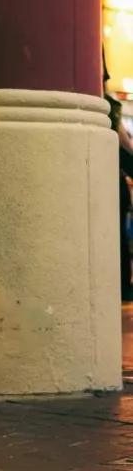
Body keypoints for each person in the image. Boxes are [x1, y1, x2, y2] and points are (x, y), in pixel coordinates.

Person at [105, 51, 133, 302]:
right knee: (118, 237)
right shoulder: (110, 106)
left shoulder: (106, 104)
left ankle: (119, 287)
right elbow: (126, 143)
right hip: (114, 181)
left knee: (114, 236)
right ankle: (122, 287)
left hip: (110, 181)